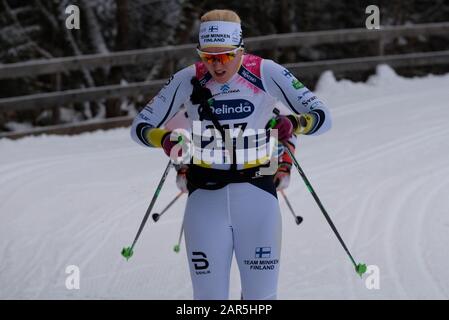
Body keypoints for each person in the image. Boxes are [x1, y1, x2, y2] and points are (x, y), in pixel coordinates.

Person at [130, 9, 331, 300]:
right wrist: (165, 138)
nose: (216, 65)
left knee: (261, 300)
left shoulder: (266, 72)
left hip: (257, 198)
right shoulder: (188, 78)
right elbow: (139, 127)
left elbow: (323, 116)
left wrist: (295, 123)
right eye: (207, 57)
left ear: (240, 50)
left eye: (224, 56)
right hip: (205, 200)